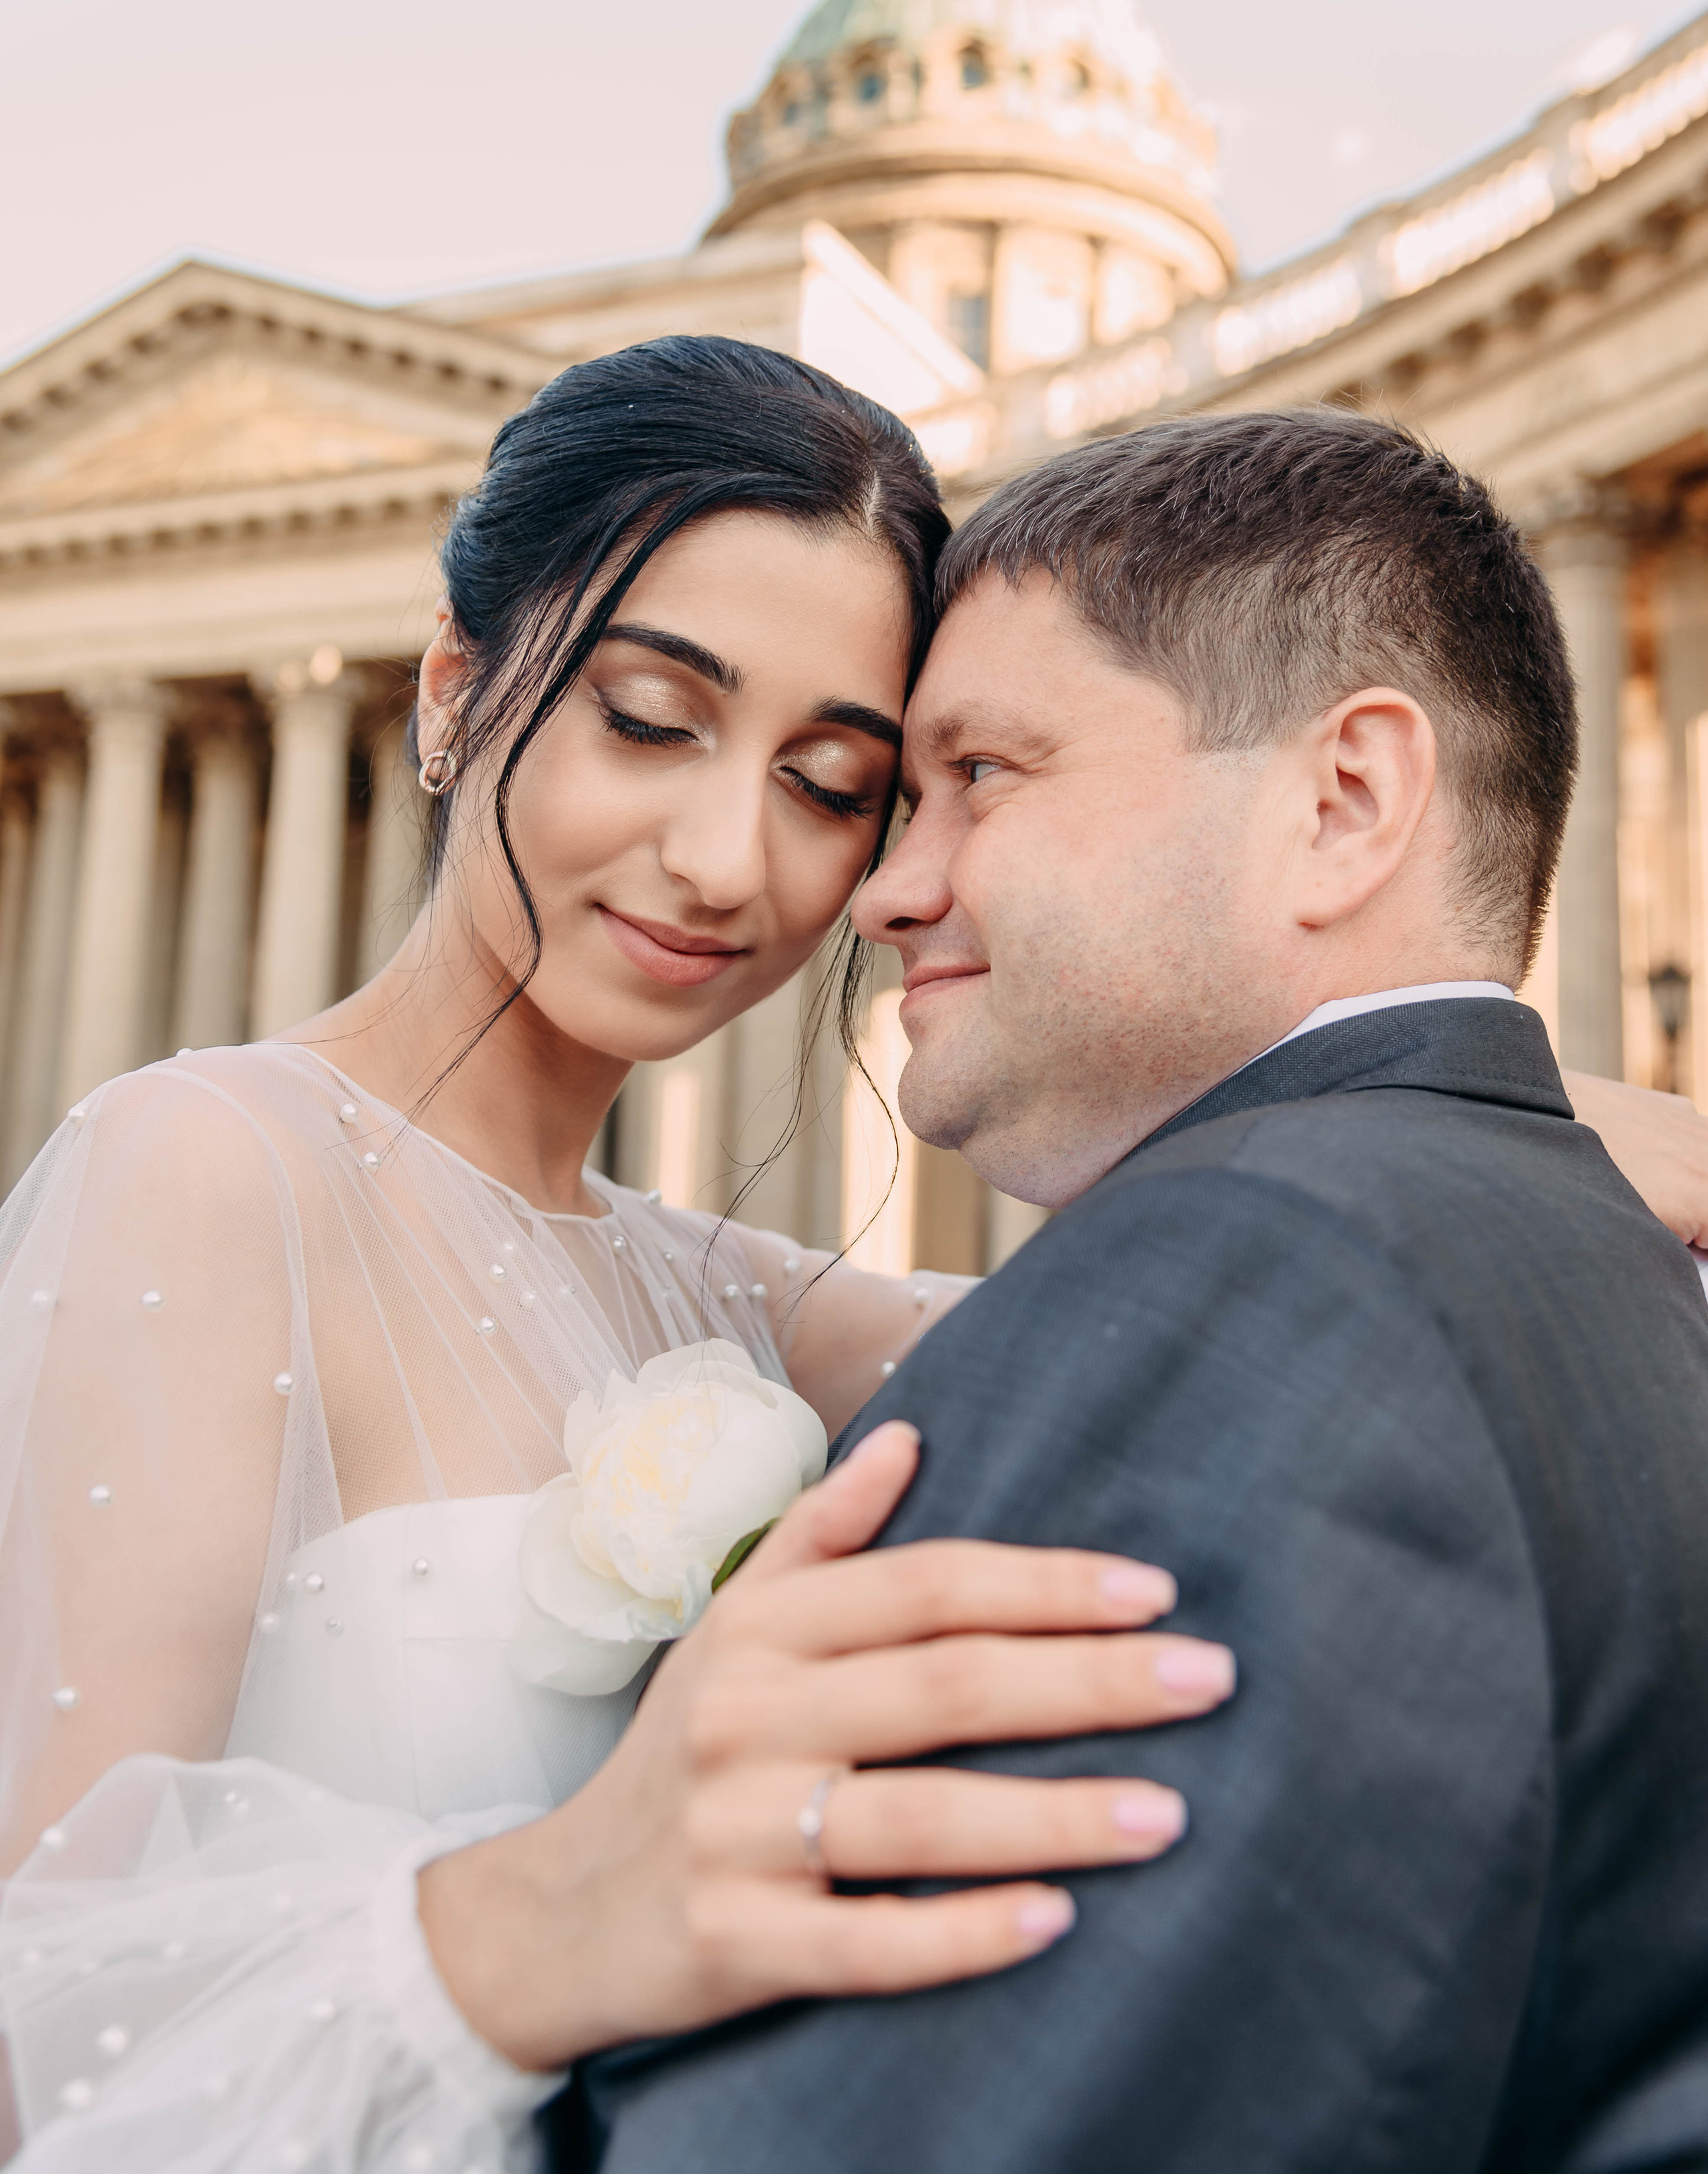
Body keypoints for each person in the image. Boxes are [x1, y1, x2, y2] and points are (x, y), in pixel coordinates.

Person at [0, 354, 1697, 2173]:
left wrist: (1529, 1096)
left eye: (837, 782)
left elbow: (1247, 1298)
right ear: (452, 688)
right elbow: (40, 2019)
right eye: (652, 719)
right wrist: (531, 1921)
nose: (734, 859)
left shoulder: (753, 1301)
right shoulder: (203, 1163)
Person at [565, 410, 1708, 2174]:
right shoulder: (1599, 1264)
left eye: (984, 775)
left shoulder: (1240, 1282)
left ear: (1342, 805)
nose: (886, 884)